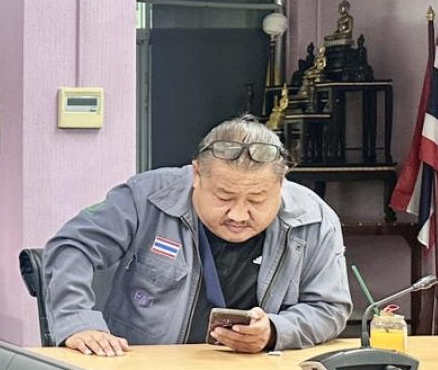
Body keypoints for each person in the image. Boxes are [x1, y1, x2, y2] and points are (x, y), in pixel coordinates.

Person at [42, 116, 350, 357]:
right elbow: (73, 246)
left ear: (281, 184)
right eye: (224, 197)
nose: (238, 215)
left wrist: (274, 331)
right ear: (196, 175)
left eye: (257, 200)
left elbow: (329, 308)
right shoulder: (145, 198)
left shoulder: (314, 219)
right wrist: (78, 321)